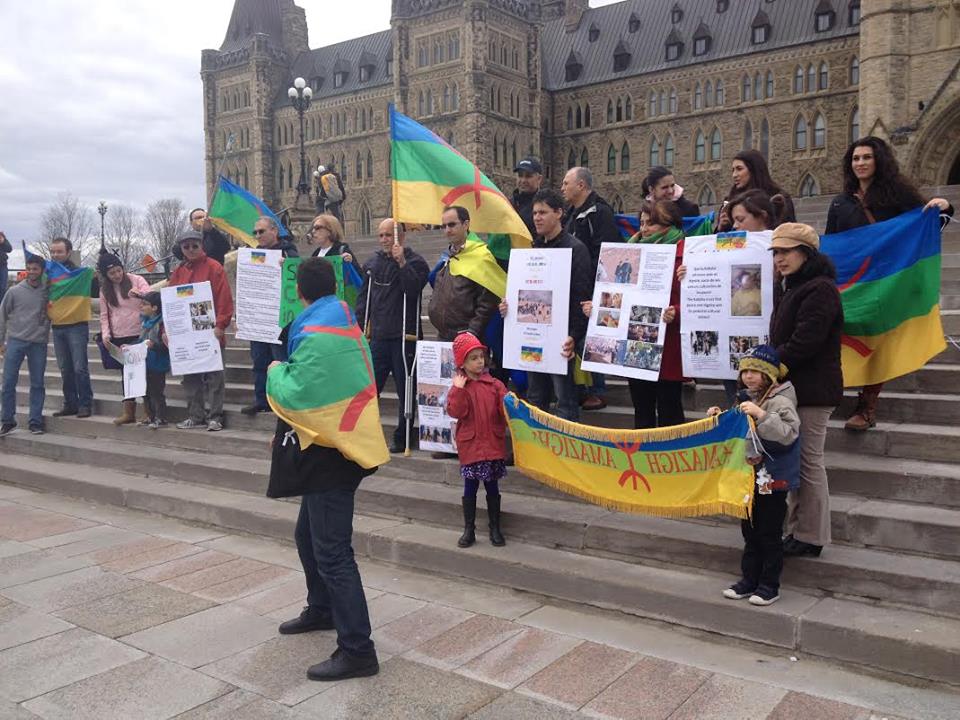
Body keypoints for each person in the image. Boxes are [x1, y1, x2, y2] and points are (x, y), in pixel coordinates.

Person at [271, 258, 380, 682]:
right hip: (335, 442)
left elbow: (297, 392)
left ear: (300, 292)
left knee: (333, 552)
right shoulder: (343, 321)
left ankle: (358, 649)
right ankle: (322, 608)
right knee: (306, 535)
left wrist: (275, 372)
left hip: (332, 450)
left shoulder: (316, 332)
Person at [825, 136, 955, 431]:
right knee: (845, 335)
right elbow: (832, 242)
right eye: (856, 158)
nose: (860, 163)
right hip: (853, 282)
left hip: (886, 280)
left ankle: (867, 406)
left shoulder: (898, 195)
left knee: (877, 341)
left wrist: (945, 205)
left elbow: (929, 220)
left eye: (866, 157)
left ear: (879, 160)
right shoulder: (840, 202)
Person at [768, 223, 843, 558]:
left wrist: (769, 364)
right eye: (776, 252)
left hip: (812, 390)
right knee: (798, 462)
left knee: (809, 463)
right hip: (794, 388)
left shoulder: (820, 288)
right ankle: (799, 530)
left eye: (786, 251)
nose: (779, 258)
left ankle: (811, 536)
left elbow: (806, 341)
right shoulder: (794, 287)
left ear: (806, 253)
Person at [708, 345, 800, 607]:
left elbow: (788, 433)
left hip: (773, 477)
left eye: (756, 371)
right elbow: (737, 426)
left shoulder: (781, 401)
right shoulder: (747, 397)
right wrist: (719, 417)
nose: (749, 376)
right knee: (749, 529)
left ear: (769, 375)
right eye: (745, 370)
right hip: (748, 477)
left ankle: (770, 585)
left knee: (769, 532)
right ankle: (749, 580)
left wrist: (762, 416)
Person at [503, 189, 592, 421]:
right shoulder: (533, 251)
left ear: (559, 213)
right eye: (534, 213)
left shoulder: (576, 249)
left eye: (543, 212)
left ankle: (566, 452)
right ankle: (537, 453)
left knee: (565, 400)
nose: (537, 218)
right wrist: (508, 307)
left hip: (561, 340)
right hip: (534, 337)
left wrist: (574, 335)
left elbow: (582, 297)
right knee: (536, 398)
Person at [356, 219, 429, 454]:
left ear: (401, 237)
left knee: (405, 389)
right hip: (378, 336)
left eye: (389, 235)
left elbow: (414, 289)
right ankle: (366, 433)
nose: (384, 240)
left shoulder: (416, 261)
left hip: (403, 335)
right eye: (381, 235)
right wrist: (359, 327)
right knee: (369, 389)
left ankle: (403, 435)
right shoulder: (372, 262)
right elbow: (363, 299)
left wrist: (402, 263)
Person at [561, 166, 621, 411]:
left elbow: (608, 251)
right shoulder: (571, 214)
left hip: (595, 284)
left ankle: (597, 389)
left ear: (581, 186)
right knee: (581, 337)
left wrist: (599, 285)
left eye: (566, 183)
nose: (562, 188)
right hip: (576, 283)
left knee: (595, 335)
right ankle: (582, 388)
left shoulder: (600, 212)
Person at [446, 332, 509, 548]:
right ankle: (469, 529)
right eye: (473, 358)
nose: (480, 361)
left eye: (481, 356)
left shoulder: (495, 385)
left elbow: (505, 411)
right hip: (471, 447)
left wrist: (512, 406)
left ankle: (495, 527)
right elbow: (456, 412)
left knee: (492, 487)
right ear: (462, 363)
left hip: (491, 445)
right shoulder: (459, 386)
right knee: (470, 488)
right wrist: (458, 389)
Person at [168, 230, 234, 431]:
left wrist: (221, 325)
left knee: (215, 377)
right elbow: (170, 303)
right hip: (186, 334)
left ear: (201, 246)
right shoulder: (178, 272)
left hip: (210, 330)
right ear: (181, 249)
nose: (190, 250)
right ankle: (195, 415)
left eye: (194, 246)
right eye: (186, 246)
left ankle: (215, 416)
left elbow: (224, 298)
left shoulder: (214, 268)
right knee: (190, 376)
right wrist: (167, 329)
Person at [628, 200, 686, 428]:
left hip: (669, 346)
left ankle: (671, 461)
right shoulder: (630, 250)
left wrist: (677, 312)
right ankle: (643, 460)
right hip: (638, 342)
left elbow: (699, 299)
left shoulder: (686, 254)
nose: (644, 229)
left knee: (669, 409)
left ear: (669, 225)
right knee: (642, 409)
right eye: (641, 223)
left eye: (651, 223)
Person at [241, 216, 299, 415]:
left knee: (280, 362)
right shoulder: (252, 254)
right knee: (259, 361)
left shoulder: (288, 251)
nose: (257, 235)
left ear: (274, 231)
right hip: (258, 317)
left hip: (279, 319)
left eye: (261, 231)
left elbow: (297, 276)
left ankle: (282, 401)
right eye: (255, 232)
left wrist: (288, 264)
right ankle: (262, 400)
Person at [428, 206, 503, 342]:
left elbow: (487, 302)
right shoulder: (447, 257)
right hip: (443, 336)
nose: (447, 230)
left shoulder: (481, 255)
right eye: (443, 226)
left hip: (467, 339)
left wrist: (472, 333)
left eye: (452, 225)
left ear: (466, 224)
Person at [97, 252, 151, 425]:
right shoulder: (105, 290)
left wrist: (140, 294)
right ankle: (129, 411)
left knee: (144, 373)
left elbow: (151, 296)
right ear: (106, 275)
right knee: (127, 375)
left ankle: (150, 411)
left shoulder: (136, 280)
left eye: (119, 271)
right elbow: (104, 315)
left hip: (139, 333)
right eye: (112, 273)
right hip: (120, 336)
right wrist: (106, 334)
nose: (117, 275)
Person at [0, 254, 49, 436]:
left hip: (38, 343)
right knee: (8, 383)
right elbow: (2, 315)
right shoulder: (14, 291)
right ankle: (7, 420)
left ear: (42, 270)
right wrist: (1, 341)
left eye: (35, 269)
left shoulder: (47, 290)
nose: (31, 272)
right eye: (29, 268)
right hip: (16, 341)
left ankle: (35, 421)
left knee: (37, 384)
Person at [48, 237, 94, 419]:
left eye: (59, 251)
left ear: (68, 253)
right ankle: (70, 403)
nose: (55, 255)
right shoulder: (49, 273)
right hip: (57, 326)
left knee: (79, 367)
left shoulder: (79, 273)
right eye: (52, 252)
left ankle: (85, 403)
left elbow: (96, 286)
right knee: (65, 368)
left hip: (77, 326)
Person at [717, 150, 795, 232]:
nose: (734, 175)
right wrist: (722, 227)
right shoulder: (730, 200)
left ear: (753, 169)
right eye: (733, 170)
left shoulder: (779, 198)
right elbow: (718, 241)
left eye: (739, 169)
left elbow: (789, 233)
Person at [133, 291, 170, 430]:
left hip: (158, 362)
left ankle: (161, 417)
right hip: (145, 362)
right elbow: (141, 340)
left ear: (155, 307)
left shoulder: (162, 323)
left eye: (145, 304)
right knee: (146, 391)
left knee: (157, 391)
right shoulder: (145, 322)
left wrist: (155, 345)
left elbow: (166, 345)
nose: (141, 307)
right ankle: (150, 416)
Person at [512, 157, 543, 237]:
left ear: (539, 179)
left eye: (528, 176)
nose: (523, 180)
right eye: (520, 175)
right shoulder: (509, 203)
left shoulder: (544, 205)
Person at [0, 231, 11, 303]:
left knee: (3, 288)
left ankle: (1, 307)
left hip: (2, 266)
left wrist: (3, 241)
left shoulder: (1, 236)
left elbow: (9, 249)